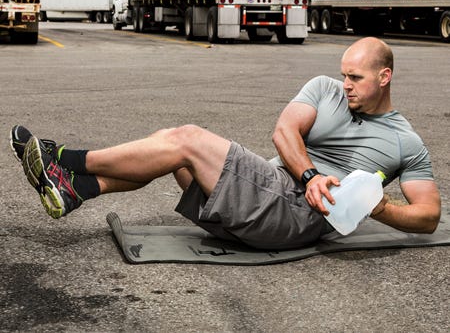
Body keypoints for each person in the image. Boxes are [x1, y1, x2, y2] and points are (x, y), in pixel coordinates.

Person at [11, 37, 441, 250]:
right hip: (277, 188)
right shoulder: (325, 89)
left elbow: (428, 217)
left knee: (186, 139)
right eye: (344, 74)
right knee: (170, 149)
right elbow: (284, 131)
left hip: (298, 218)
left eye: (356, 78)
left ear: (384, 78)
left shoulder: (405, 142)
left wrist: (377, 206)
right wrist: (308, 174)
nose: (345, 84)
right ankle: (78, 189)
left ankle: (62, 159)